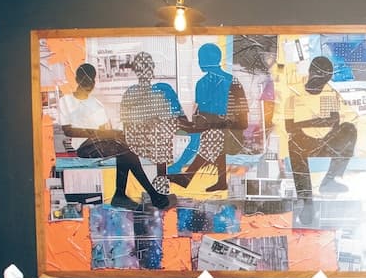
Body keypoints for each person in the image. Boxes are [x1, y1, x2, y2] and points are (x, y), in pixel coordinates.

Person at [57, 63, 174, 211]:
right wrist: (100, 133)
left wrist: (112, 133)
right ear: (77, 80)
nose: (89, 84)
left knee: (125, 149)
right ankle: (146, 195)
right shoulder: (66, 101)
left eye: (91, 80)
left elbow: (104, 130)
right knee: (125, 149)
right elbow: (68, 131)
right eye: (85, 80)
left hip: (97, 143)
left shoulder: (96, 104)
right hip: (83, 148)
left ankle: (124, 195)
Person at [279, 55, 357, 225]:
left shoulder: (330, 94)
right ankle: (306, 200)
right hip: (304, 144)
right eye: (320, 76)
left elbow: (334, 123)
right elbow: (290, 128)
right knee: (293, 143)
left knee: (349, 128)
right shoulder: (294, 97)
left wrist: (304, 123)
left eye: (326, 78)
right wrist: (318, 121)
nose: (322, 82)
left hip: (326, 143)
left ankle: (330, 179)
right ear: (311, 72)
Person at [169, 43, 249, 192]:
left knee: (214, 135)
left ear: (208, 60)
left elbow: (242, 118)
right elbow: (202, 118)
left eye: (201, 59)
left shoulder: (229, 82)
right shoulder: (203, 84)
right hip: (213, 132)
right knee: (212, 135)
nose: (199, 63)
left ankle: (187, 177)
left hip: (232, 134)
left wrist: (218, 124)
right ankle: (221, 182)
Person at [120, 52, 181, 207]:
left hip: (154, 138)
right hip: (140, 139)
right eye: (142, 68)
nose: (145, 71)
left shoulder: (159, 90)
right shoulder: (133, 92)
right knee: (160, 132)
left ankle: (160, 188)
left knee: (160, 131)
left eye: (147, 67)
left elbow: (174, 117)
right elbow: (126, 123)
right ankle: (160, 190)